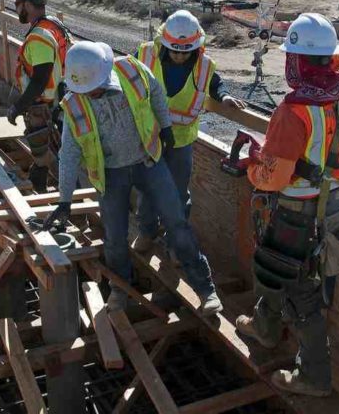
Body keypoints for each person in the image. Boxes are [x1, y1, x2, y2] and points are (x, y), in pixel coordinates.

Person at [233, 13, 339, 397]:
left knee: (298, 289)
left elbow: (273, 178)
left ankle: (315, 376)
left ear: (296, 62)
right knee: (278, 272)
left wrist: (254, 165)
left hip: (298, 213)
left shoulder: (293, 111)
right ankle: (265, 326)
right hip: (337, 201)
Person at [45, 41, 222, 315]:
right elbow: (68, 154)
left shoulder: (131, 71)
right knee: (115, 238)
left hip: (147, 160)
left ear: (105, 74)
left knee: (176, 221)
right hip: (110, 174)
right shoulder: (74, 104)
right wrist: (64, 199)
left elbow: (157, 94)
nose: (89, 94)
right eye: (83, 90)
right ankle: (120, 288)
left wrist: (165, 126)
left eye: (92, 88)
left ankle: (205, 288)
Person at [132, 10, 246, 252]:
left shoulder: (203, 66)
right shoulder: (146, 55)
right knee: (147, 189)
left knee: (178, 194)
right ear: (164, 44)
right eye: (175, 51)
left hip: (181, 142)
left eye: (185, 52)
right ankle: (147, 232)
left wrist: (224, 96)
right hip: (151, 137)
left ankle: (176, 243)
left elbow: (216, 84)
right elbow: (125, 75)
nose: (180, 56)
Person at [6, 0, 70, 192]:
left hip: (46, 108)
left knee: (53, 160)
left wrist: (18, 107)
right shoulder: (53, 26)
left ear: (27, 4)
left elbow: (40, 79)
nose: (16, 9)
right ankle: (40, 188)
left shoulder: (39, 37)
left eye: (17, 4)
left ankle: (74, 205)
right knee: (49, 158)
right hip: (58, 104)